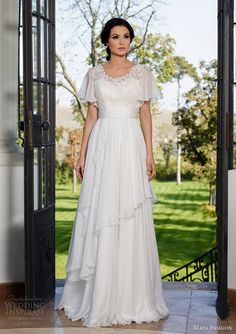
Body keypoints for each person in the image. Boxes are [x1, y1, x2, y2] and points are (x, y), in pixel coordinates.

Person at [55, 17, 170, 327]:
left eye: (127, 36)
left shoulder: (142, 73)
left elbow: (145, 113)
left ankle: (131, 297)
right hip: (103, 146)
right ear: (106, 40)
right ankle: (98, 294)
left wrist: (149, 152)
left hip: (130, 145)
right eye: (116, 36)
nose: (122, 41)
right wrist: (82, 153)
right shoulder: (94, 74)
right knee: (101, 213)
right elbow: (91, 115)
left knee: (128, 213)